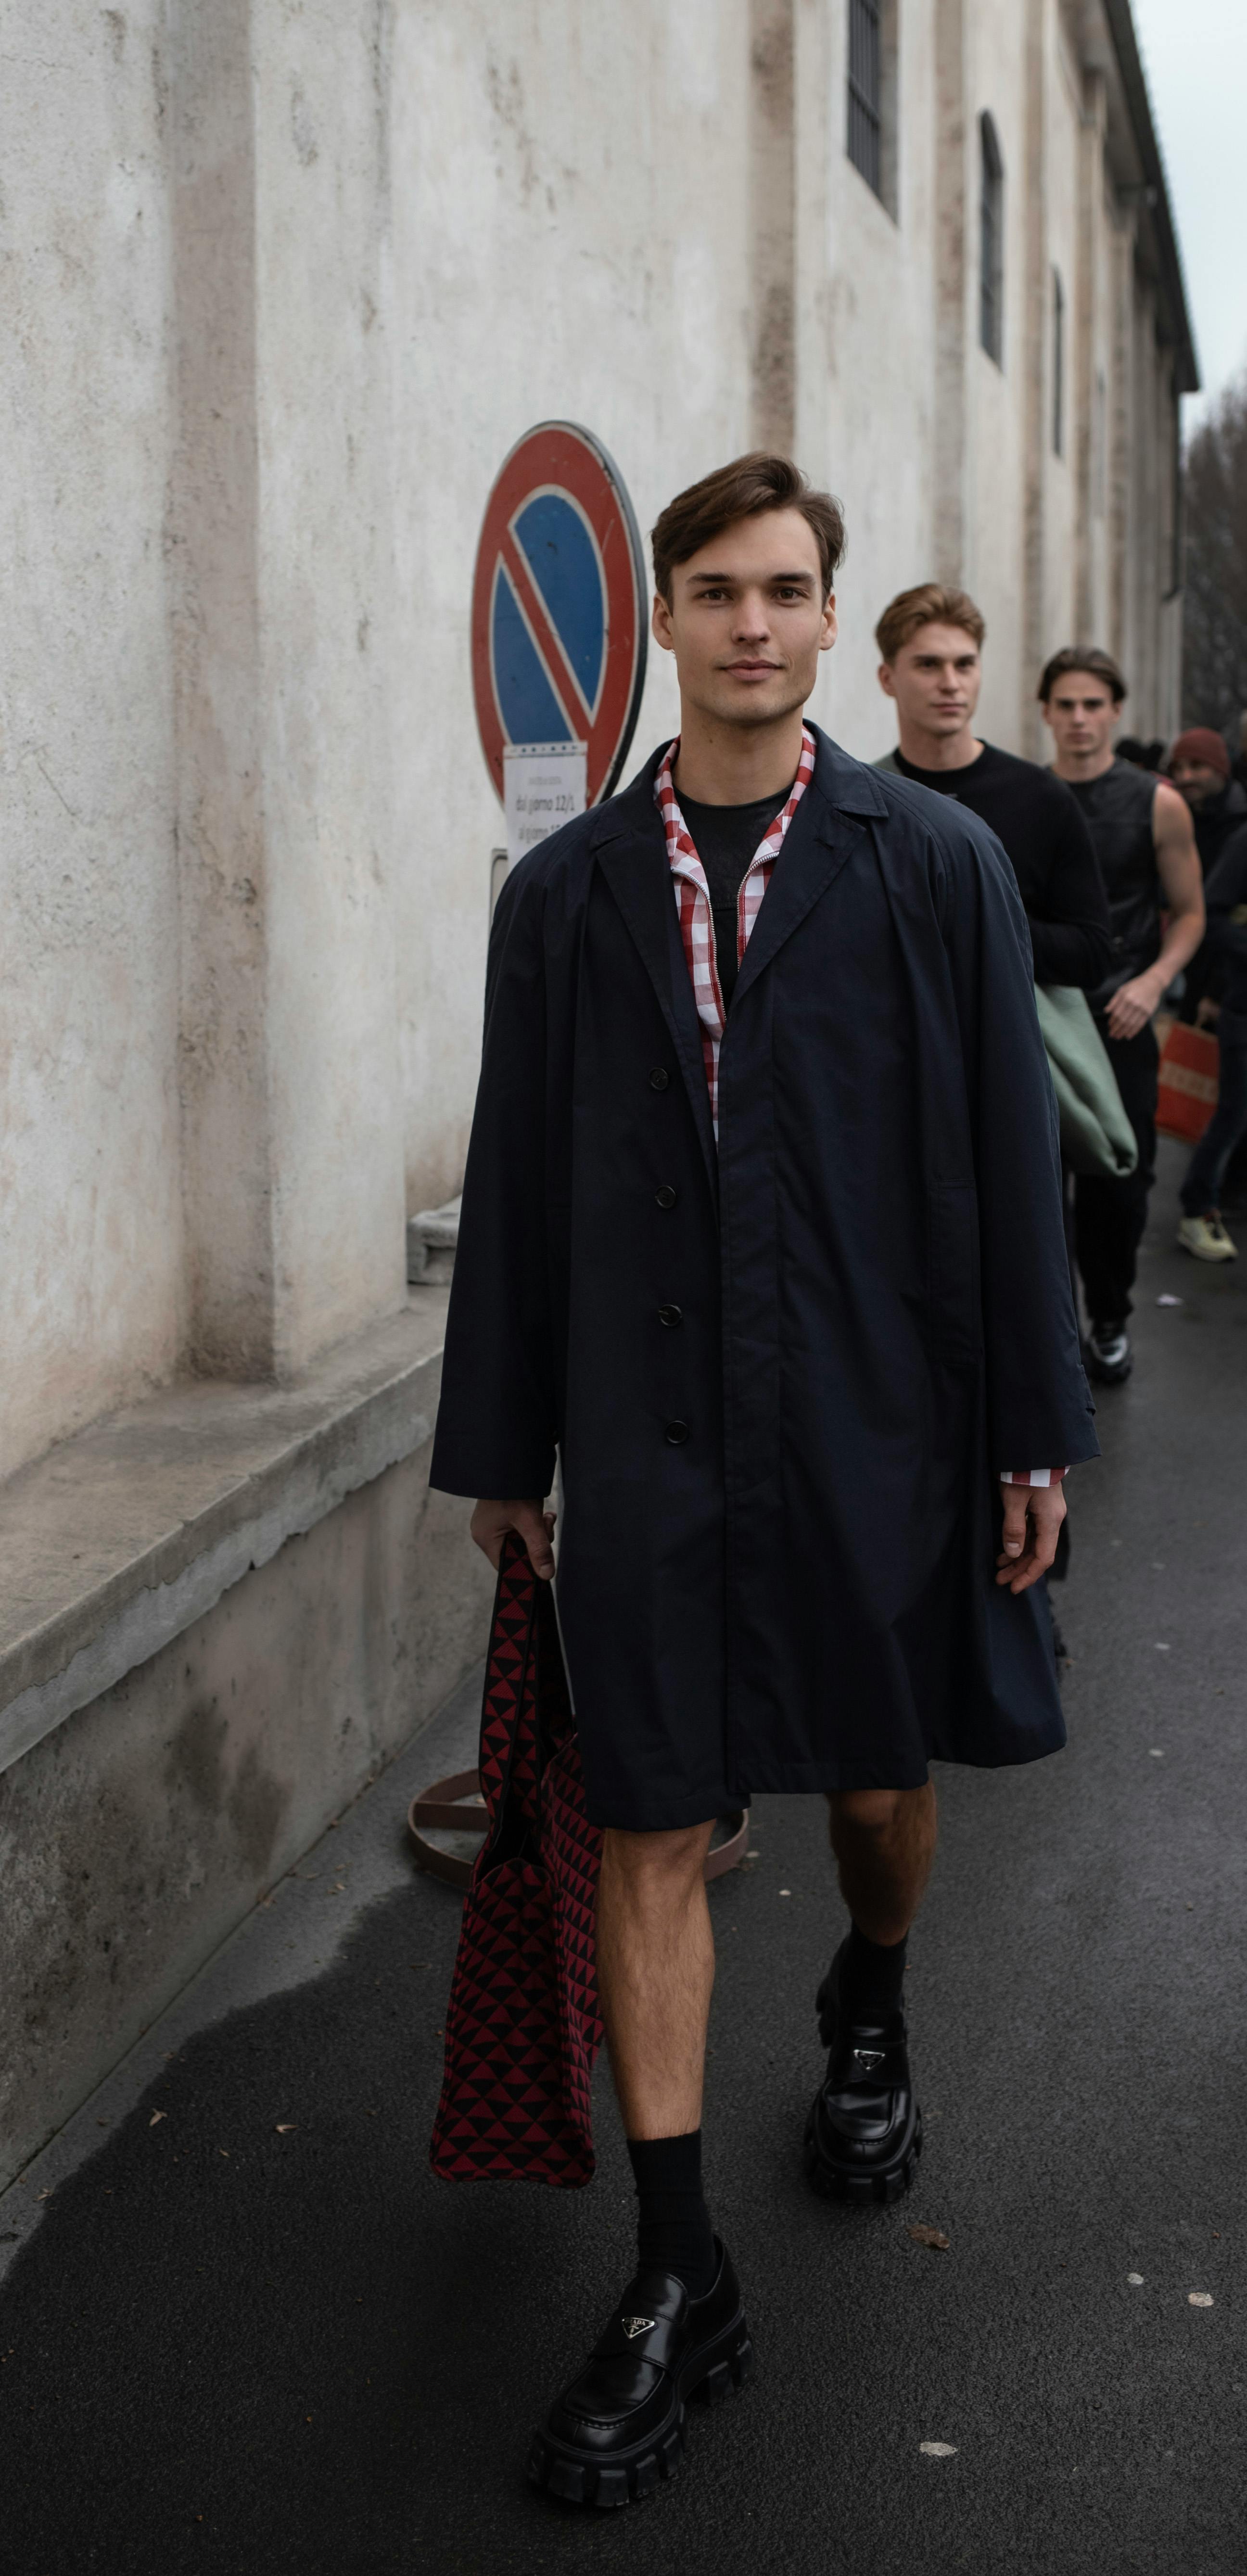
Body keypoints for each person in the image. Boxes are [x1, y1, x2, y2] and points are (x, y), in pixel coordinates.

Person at [429, 453, 1097, 2511]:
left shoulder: (926, 864)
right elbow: (519, 1183)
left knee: (880, 1792)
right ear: (665, 610)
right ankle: (672, 2268)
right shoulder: (564, 897)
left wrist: (1026, 1428)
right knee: (645, 1817)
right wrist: (503, 1452)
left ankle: (870, 1997)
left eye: (784, 588)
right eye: (713, 588)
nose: (749, 622)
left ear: (828, 619)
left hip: (873, 1416)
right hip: (644, 1439)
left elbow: (1004, 1158)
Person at [1040, 650, 1204, 1385]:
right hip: (1042, 1013)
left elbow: (1192, 913)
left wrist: (1155, 981)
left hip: (1123, 1016)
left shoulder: (1156, 801)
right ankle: (1047, 1331)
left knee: (1120, 1179)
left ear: (1115, 712)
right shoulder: (1024, 795)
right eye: (1066, 704)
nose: (1079, 719)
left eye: (1093, 704)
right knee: (1036, 1180)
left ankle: (1110, 1317)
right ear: (1045, 711)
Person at [872, 584, 1113, 992]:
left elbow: (1092, 957)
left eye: (965, 665)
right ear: (888, 678)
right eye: (929, 665)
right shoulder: (863, 799)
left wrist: (976, 918)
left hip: (1014, 1043)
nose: (951, 683)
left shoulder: (1042, 797)